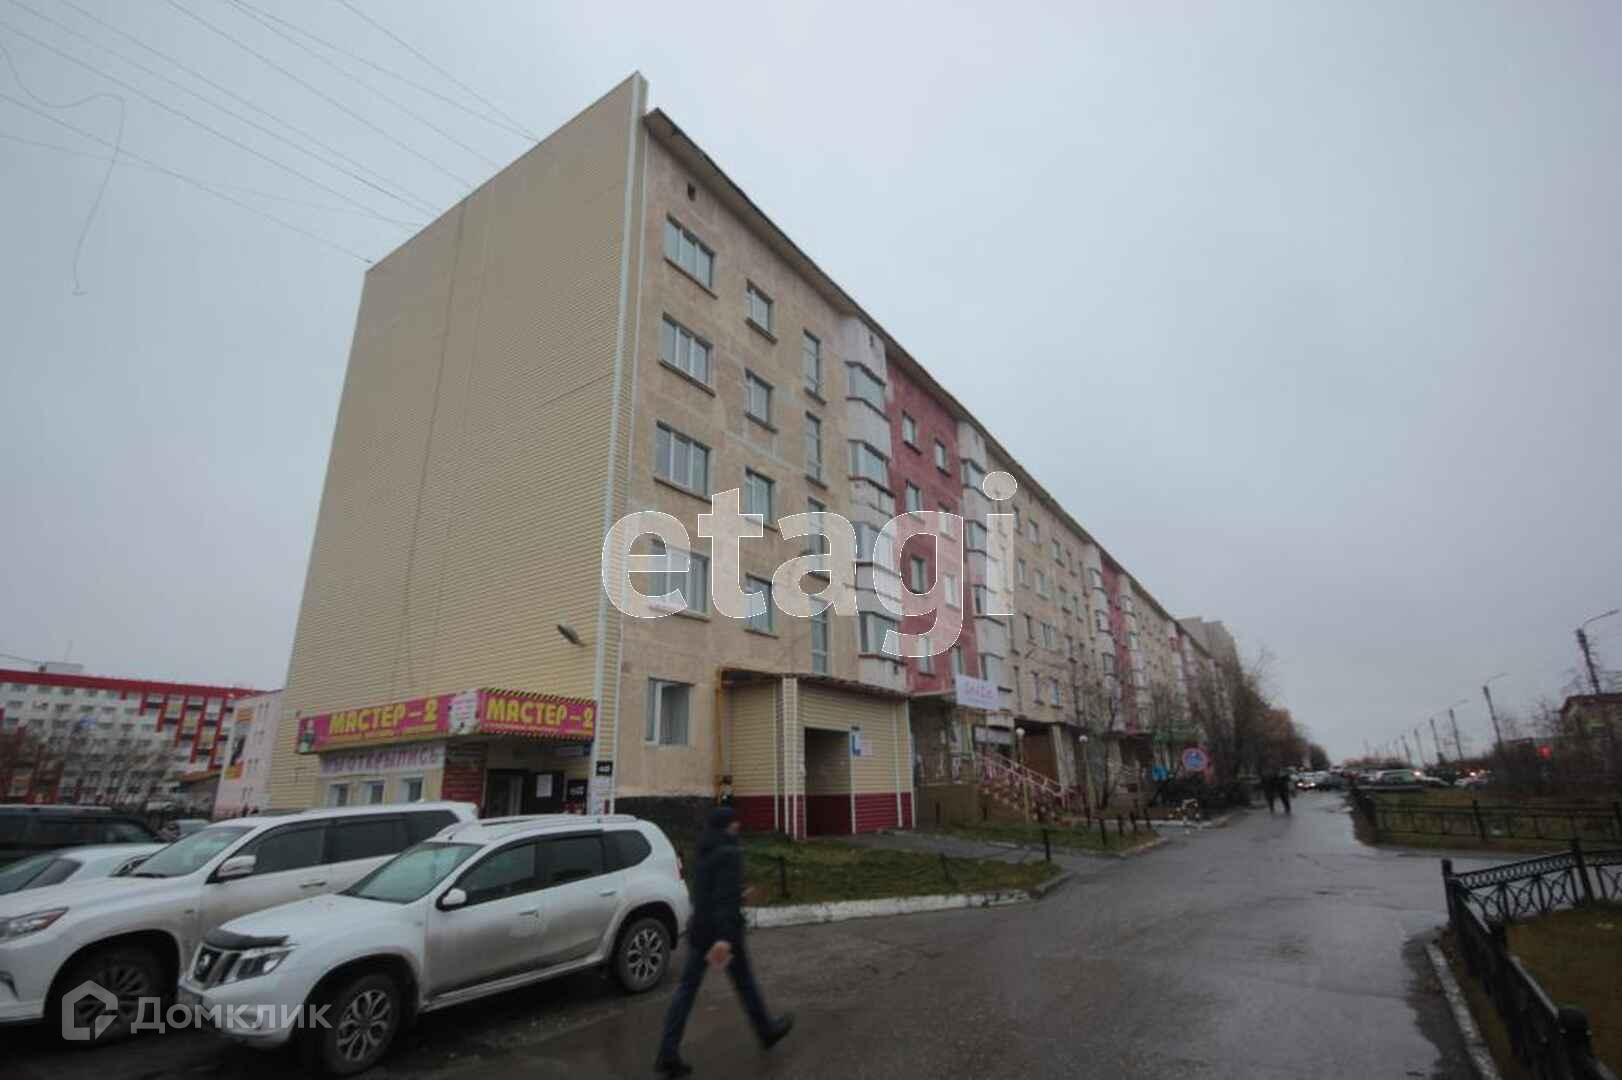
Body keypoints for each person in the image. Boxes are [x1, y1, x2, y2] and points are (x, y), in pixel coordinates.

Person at [655, 806, 793, 1077]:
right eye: (734, 822)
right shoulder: (729, 852)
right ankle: (766, 1031)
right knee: (744, 984)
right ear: (728, 825)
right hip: (722, 935)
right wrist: (726, 938)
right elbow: (723, 900)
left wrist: (737, 895)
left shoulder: (704, 849)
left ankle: (667, 1052)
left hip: (700, 930)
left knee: (687, 991)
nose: (738, 826)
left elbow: (709, 892)